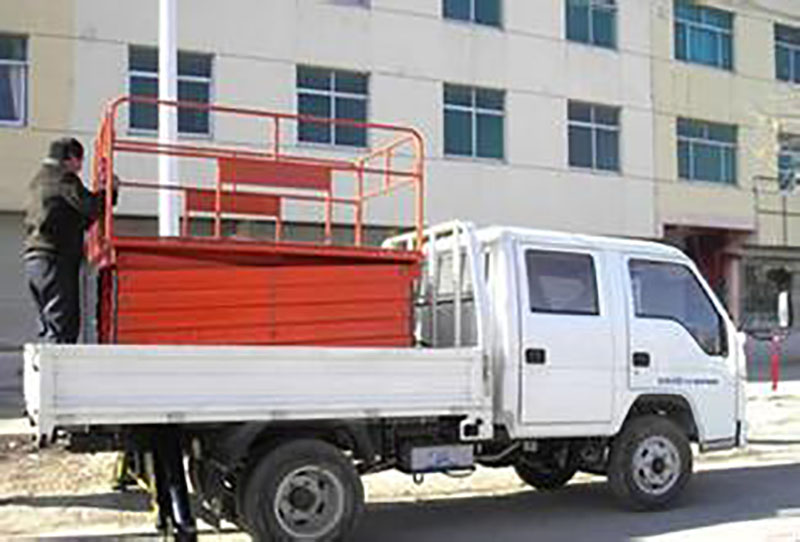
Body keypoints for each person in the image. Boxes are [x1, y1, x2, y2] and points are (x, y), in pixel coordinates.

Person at [22, 137, 117, 344]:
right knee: (63, 325)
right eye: (79, 162)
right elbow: (90, 206)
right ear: (71, 159)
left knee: (48, 325)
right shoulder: (64, 178)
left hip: (35, 260)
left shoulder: (38, 181)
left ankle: (45, 372)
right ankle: (59, 374)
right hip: (55, 259)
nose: (80, 168)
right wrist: (109, 191)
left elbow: (75, 218)